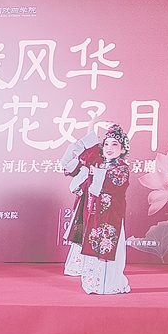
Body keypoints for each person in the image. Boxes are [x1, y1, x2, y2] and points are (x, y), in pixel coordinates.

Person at [61, 116, 131, 294]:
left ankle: (109, 284)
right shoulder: (100, 162)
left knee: (108, 248)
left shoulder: (121, 168)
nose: (109, 148)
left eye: (114, 144)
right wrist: (92, 123)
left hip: (111, 217)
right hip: (94, 215)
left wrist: (97, 172)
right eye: (106, 144)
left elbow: (112, 184)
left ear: (123, 149)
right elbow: (90, 148)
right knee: (91, 246)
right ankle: (93, 282)